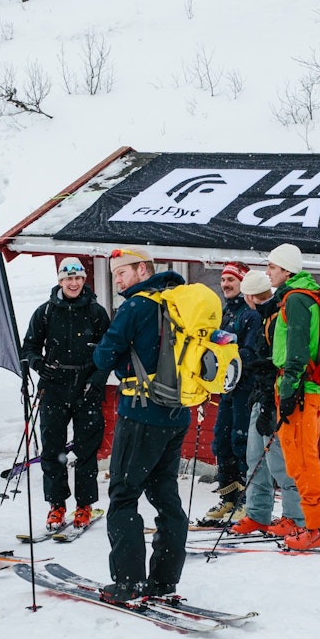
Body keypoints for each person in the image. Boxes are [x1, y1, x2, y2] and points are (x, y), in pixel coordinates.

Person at [91, 247, 190, 603]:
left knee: (123, 494)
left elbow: (104, 354)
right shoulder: (178, 302)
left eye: (122, 272)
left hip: (141, 412)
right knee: (166, 496)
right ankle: (164, 580)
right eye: (115, 273)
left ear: (143, 269)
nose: (117, 279)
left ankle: (129, 581)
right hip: (177, 412)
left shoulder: (136, 306)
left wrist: (113, 354)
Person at [20, 257, 111, 531]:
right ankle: (56, 506)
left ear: (84, 280)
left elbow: (109, 353)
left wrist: (97, 380)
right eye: (68, 278)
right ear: (60, 281)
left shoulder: (96, 312)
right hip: (54, 387)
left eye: (78, 278)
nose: (73, 283)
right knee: (53, 450)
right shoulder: (45, 312)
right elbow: (29, 348)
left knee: (85, 450)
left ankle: (84, 506)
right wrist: (38, 365)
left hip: (86, 388)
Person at [263, 243, 320, 551]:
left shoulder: (295, 300)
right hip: (308, 388)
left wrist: (289, 387)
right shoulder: (303, 297)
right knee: (300, 460)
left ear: (286, 270)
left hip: (302, 388)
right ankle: (317, 524)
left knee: (303, 462)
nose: (267, 272)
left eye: (271, 267)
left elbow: (296, 350)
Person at [227, 270, 306, 537]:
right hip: (261, 397)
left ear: (249, 296)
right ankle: (258, 514)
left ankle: (295, 517)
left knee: (279, 462)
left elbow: (277, 362)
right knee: (255, 460)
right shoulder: (264, 317)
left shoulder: (276, 318)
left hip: (275, 399)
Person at [202, 261, 261, 523]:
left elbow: (251, 354)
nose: (225, 284)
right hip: (226, 388)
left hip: (245, 389)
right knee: (222, 441)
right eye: (223, 280)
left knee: (242, 443)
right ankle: (229, 497)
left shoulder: (251, 315)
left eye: (231, 280)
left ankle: (247, 500)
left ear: (243, 283)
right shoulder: (226, 313)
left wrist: (229, 354)